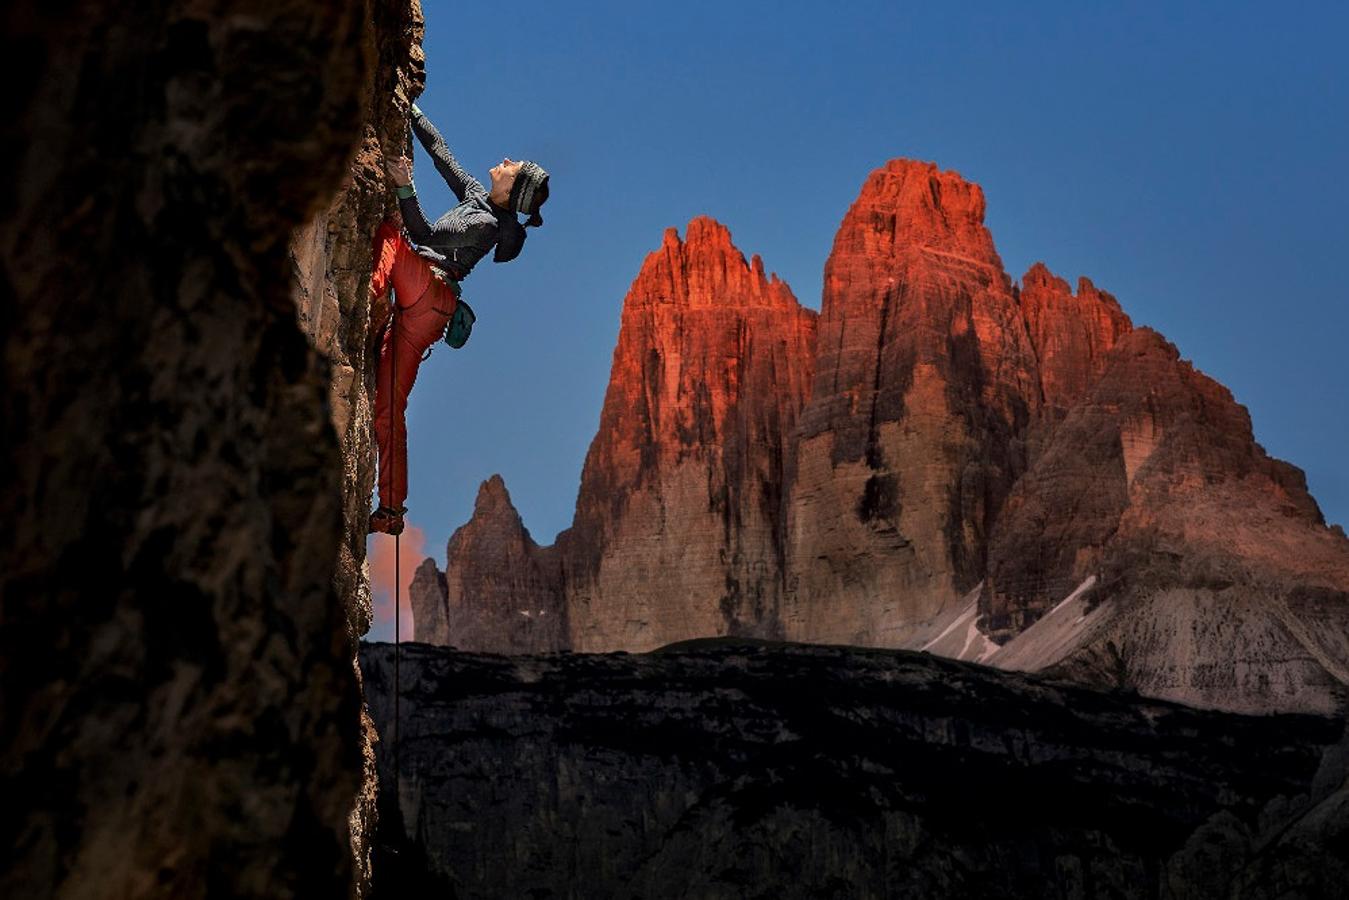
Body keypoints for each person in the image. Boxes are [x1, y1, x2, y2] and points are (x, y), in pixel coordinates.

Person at [368, 103, 550, 535]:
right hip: (426, 309)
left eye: (513, 167)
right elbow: (441, 153)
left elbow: (425, 235)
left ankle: (369, 296)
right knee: (389, 407)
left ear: (513, 188)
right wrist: (409, 108)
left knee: (392, 232)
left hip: (430, 293)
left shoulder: (488, 224)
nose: (506, 161)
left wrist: (404, 188)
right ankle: (391, 511)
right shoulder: (477, 197)